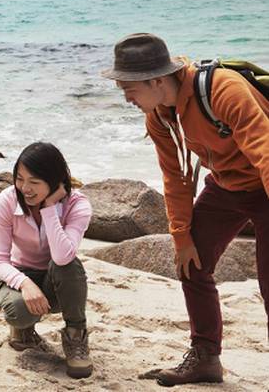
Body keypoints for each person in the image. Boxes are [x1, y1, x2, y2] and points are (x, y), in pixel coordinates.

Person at [102, 32, 269, 386]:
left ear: (157, 80)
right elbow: (175, 177)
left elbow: (264, 151)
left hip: (265, 184)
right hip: (226, 186)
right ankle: (206, 358)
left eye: (128, 88)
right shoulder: (159, 116)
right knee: (190, 263)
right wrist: (180, 236)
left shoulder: (223, 90)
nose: (126, 98)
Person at [0, 141, 94, 379]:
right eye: (19, 178)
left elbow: (62, 256)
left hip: (58, 281)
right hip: (17, 278)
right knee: (19, 311)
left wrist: (49, 208)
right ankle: (23, 330)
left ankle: (76, 337)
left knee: (68, 261)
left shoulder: (77, 205)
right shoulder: (7, 201)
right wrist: (25, 284)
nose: (24, 188)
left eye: (34, 182)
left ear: (55, 181)